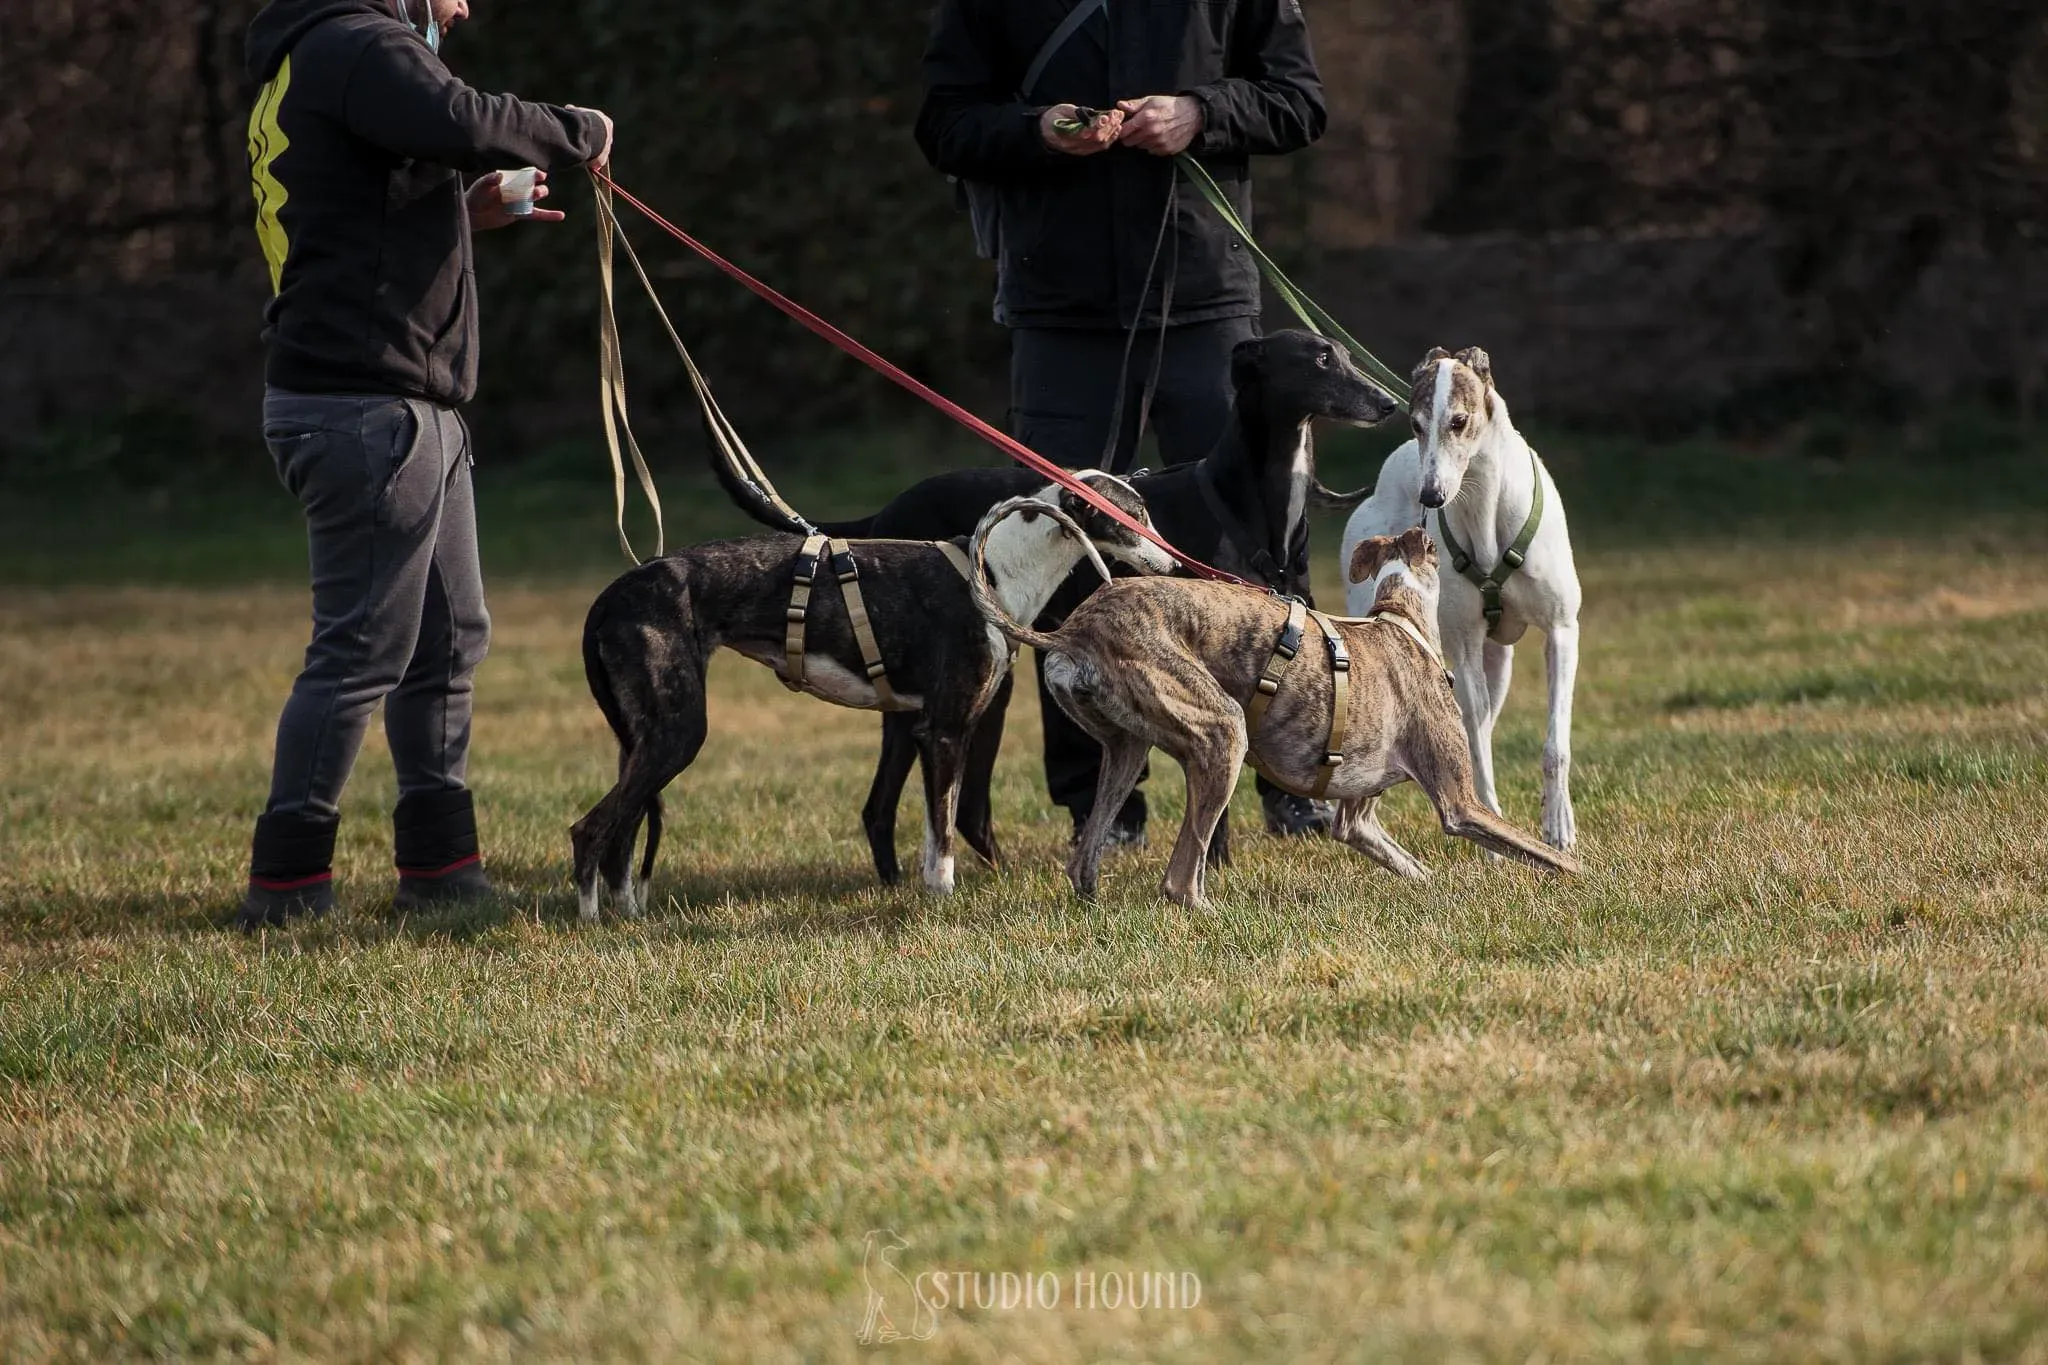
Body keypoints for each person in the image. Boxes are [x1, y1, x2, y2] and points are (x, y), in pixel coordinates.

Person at [235, 0, 614, 928]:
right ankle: (286, 890)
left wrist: (463, 213)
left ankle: (442, 869)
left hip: (400, 407)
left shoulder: (312, 55)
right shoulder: (360, 42)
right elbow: (460, 118)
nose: (461, 7)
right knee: (361, 649)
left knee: (448, 640)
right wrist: (580, 130)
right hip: (366, 408)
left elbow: (349, 221)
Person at [915, 0, 1329, 847]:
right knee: (1062, 558)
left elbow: (1298, 100)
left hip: (1207, 298)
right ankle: (1103, 808)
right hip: (1058, 312)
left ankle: (1294, 782)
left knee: (1258, 557)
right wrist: (1037, 130)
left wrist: (1202, 113)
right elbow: (945, 124)